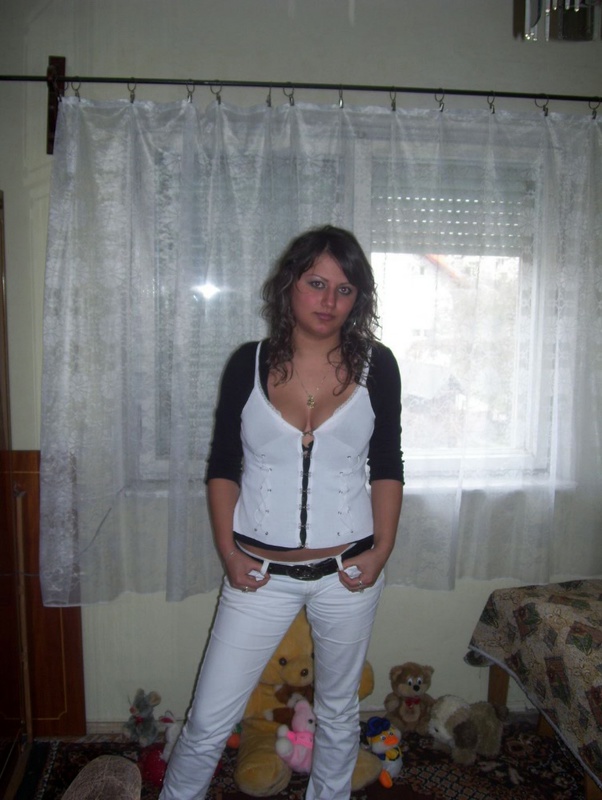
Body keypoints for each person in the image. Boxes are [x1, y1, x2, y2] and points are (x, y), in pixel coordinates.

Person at [159, 225, 404, 800]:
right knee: (208, 721)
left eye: (344, 289)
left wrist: (382, 550)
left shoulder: (380, 366)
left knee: (338, 712)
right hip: (259, 576)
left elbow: (387, 463)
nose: (329, 301)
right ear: (289, 284)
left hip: (348, 573)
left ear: (358, 298)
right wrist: (227, 551)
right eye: (316, 283)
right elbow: (224, 464)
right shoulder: (247, 363)